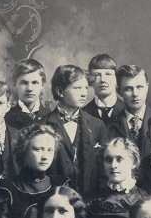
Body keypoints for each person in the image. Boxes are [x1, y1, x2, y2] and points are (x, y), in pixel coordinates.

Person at [42, 64, 108, 198]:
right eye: (77, 88)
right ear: (60, 91)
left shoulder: (97, 125)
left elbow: (104, 167)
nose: (84, 93)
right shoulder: (42, 125)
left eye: (86, 88)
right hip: (55, 199)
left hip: (90, 199)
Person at [86, 138, 148, 218]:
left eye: (119, 159)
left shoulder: (143, 200)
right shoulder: (93, 199)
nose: (113, 165)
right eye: (108, 160)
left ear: (133, 162)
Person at [107, 65, 151, 159]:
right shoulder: (109, 127)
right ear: (119, 91)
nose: (135, 94)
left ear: (147, 87)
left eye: (139, 87)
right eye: (128, 89)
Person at [4, 58, 48, 130]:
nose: (29, 89)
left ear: (42, 85)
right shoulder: (6, 118)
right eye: (24, 83)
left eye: (35, 83)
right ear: (15, 85)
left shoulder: (52, 118)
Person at [83, 53, 124, 124]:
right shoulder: (83, 113)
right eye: (97, 75)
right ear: (90, 80)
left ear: (116, 78)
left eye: (108, 74)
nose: (103, 80)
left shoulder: (128, 110)